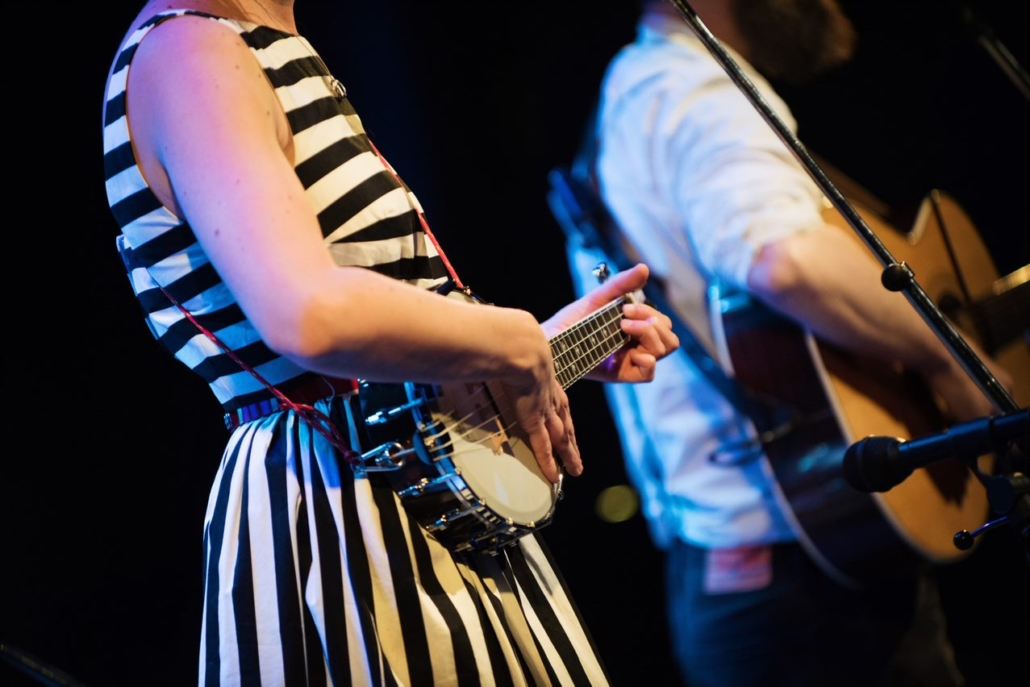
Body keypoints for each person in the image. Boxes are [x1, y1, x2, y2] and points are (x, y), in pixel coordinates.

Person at [101, 1, 680, 684]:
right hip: (337, 507)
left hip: (400, 492)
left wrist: (540, 351)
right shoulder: (188, 52)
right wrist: (509, 338)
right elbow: (308, 316)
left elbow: (370, 321)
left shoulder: (267, 48)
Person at [560, 1, 1018, 686]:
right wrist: (951, 357)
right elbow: (780, 259)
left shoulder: (637, 89)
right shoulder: (703, 90)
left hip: (737, 568)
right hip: (810, 590)